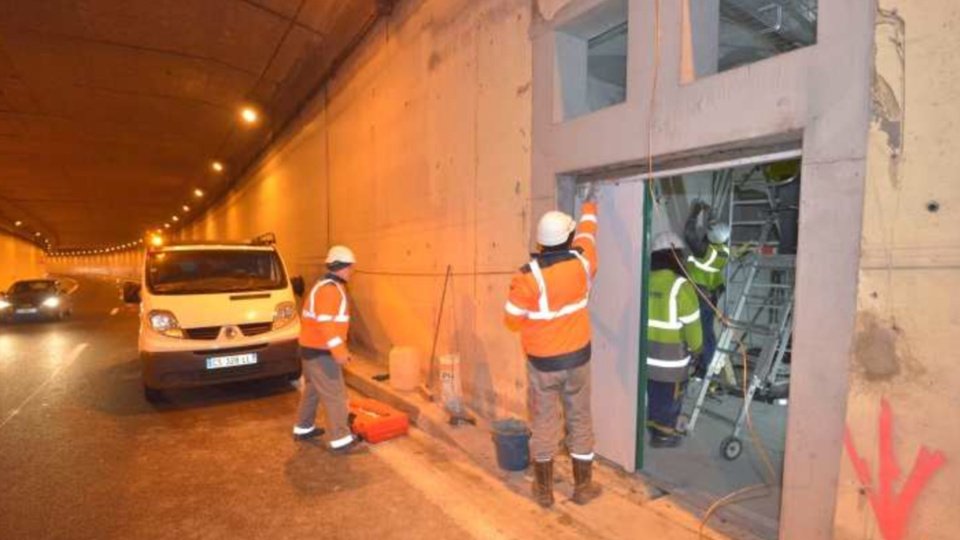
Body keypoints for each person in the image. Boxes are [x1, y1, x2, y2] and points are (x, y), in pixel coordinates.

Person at [504, 189, 600, 508]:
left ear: (541, 242)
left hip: (543, 365)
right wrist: (589, 205)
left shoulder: (527, 278)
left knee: (544, 422)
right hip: (578, 360)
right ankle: (583, 488)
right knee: (580, 419)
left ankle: (544, 491)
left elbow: (512, 319)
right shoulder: (584, 264)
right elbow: (588, 235)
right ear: (567, 238)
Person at [292, 245, 362, 454]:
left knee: (313, 391)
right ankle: (341, 439)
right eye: (350, 268)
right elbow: (327, 324)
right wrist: (340, 353)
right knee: (335, 395)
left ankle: (303, 428)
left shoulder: (324, 286)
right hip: (321, 352)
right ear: (341, 267)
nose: (351, 271)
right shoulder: (330, 290)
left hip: (312, 350)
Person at [647, 231, 703, 448]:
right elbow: (693, 328)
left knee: (653, 394)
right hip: (672, 363)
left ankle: (652, 426)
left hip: (646, 359)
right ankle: (664, 435)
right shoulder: (681, 286)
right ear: (675, 256)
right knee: (670, 398)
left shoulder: (645, 281)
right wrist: (698, 351)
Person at [683, 201, 730, 376]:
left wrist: (695, 213)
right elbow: (710, 235)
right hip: (712, 294)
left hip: (700, 294)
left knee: (698, 329)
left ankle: (701, 367)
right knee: (707, 330)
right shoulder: (723, 249)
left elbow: (689, 235)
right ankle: (704, 364)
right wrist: (709, 214)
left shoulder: (704, 251)